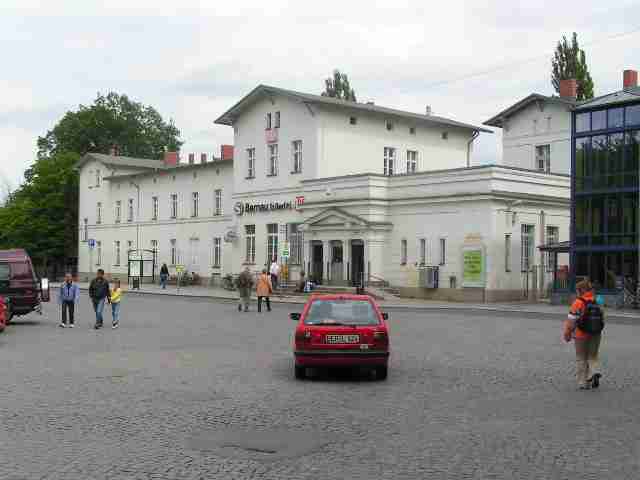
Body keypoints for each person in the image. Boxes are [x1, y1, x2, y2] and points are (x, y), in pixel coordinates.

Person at [564, 279, 604, 390]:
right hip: (596, 333)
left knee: (581, 357)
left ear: (581, 290)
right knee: (593, 356)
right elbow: (603, 318)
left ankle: (583, 382)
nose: (576, 292)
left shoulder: (578, 302)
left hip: (581, 334)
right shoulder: (598, 300)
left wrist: (567, 334)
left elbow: (571, 322)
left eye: (577, 290)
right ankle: (594, 372)